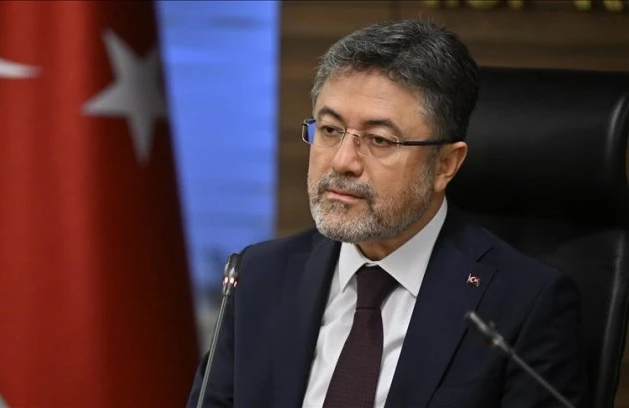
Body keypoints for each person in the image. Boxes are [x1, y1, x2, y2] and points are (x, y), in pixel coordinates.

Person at [188, 19, 589, 408]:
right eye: (330, 130)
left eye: (379, 140)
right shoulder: (258, 277)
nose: (342, 162)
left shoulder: (524, 306)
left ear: (445, 164)